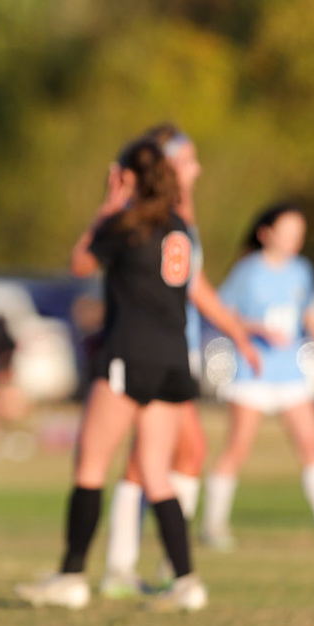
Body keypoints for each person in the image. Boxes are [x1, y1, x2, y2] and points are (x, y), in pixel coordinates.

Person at [17, 136, 261, 613]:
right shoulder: (180, 229)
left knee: (90, 465)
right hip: (173, 358)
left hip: (129, 355)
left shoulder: (126, 224)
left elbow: (80, 262)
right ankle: (187, 582)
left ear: (130, 177)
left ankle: (71, 576)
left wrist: (108, 204)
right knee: (156, 472)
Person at [200, 202, 314, 554]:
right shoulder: (248, 271)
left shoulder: (301, 271)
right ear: (267, 234)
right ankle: (213, 525)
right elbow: (221, 312)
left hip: (290, 373)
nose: (296, 238)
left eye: (300, 232)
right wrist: (255, 327)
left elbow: (310, 314)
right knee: (237, 449)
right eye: (288, 230)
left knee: (311, 445)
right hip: (253, 372)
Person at [102, 125, 207, 598]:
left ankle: (158, 565)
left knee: (164, 459)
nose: (196, 169)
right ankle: (139, 566)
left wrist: (240, 331)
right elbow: (84, 261)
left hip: (167, 349)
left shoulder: (175, 220)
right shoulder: (154, 220)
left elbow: (194, 286)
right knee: (150, 462)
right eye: (188, 161)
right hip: (155, 350)